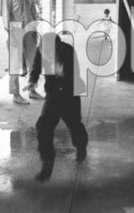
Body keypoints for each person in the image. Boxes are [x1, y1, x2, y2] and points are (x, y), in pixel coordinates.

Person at [27, 32, 88, 182]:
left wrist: (63, 74)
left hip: (70, 93)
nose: (45, 55)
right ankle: (47, 161)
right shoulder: (42, 49)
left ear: (58, 47)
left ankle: (81, 146)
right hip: (53, 94)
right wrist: (32, 81)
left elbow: (76, 74)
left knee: (74, 124)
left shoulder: (68, 51)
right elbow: (36, 66)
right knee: (43, 125)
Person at [0, 0, 43, 104]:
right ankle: (16, 94)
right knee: (15, 64)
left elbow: (33, 11)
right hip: (15, 30)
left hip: (29, 29)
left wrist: (34, 28)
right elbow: (5, 18)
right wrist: (12, 33)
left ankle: (32, 90)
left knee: (33, 61)